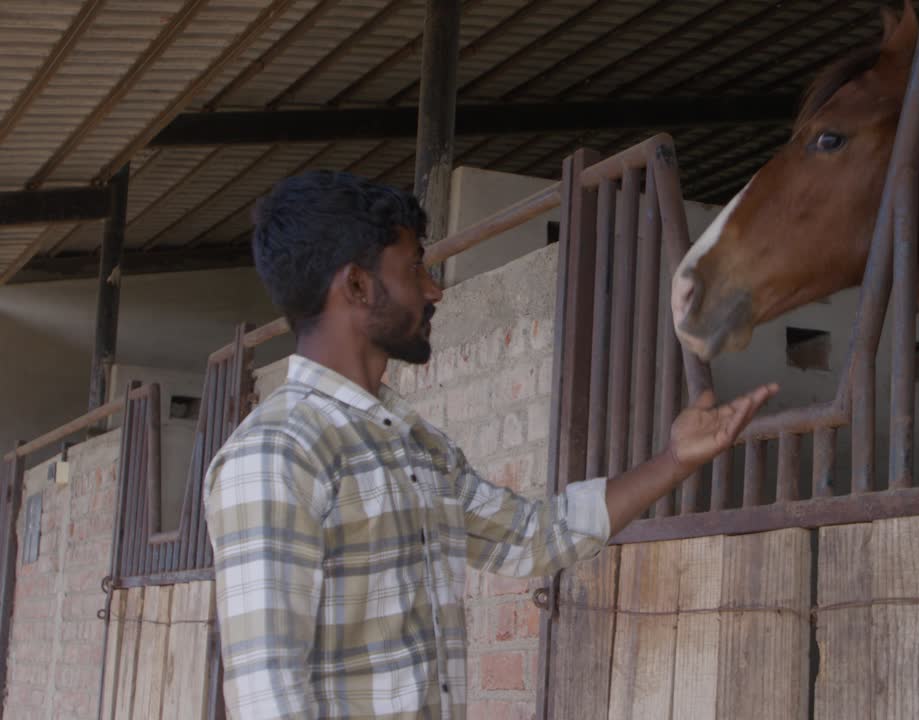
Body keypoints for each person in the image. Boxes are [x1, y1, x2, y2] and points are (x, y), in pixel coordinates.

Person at [203, 170, 778, 719]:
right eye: (415, 268)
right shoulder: (276, 454)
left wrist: (674, 460)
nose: (435, 290)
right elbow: (268, 695)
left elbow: (534, 538)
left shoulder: (415, 445)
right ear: (356, 284)